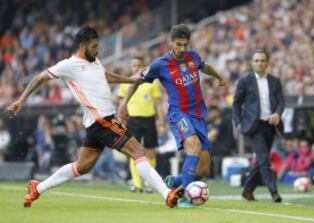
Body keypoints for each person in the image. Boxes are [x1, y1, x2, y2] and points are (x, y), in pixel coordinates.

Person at [4, 27, 182, 208]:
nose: (97, 50)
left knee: (82, 166)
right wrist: (21, 100)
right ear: (82, 46)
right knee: (138, 151)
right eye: (94, 46)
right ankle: (167, 194)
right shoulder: (69, 65)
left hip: (95, 123)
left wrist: (131, 79)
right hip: (102, 120)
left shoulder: (94, 61)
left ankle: (37, 187)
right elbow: (40, 78)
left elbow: (105, 76)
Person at [119, 24, 227, 207]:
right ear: (170, 43)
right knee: (193, 146)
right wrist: (124, 103)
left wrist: (219, 77)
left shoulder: (193, 57)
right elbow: (137, 77)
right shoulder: (160, 65)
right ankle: (184, 196)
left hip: (198, 115)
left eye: (185, 44)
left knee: (203, 169)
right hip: (179, 114)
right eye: (178, 44)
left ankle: (175, 181)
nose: (182, 49)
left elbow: (205, 66)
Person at [232, 49, 284, 203]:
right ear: (251, 63)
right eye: (256, 60)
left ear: (267, 63)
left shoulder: (275, 81)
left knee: (262, 160)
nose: (259, 63)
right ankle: (274, 192)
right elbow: (236, 103)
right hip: (253, 127)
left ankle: (247, 190)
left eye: (262, 60)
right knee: (264, 160)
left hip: (270, 125)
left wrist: (278, 114)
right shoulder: (244, 81)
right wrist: (238, 122)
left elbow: (281, 101)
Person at [117, 56, 165, 193]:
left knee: (150, 152)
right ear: (131, 67)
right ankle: (137, 184)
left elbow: (158, 103)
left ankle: (150, 184)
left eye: (139, 65)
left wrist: (161, 121)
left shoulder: (152, 82)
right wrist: (120, 119)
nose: (136, 68)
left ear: (143, 66)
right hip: (132, 120)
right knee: (135, 152)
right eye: (134, 65)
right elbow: (120, 103)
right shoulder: (125, 83)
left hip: (149, 119)